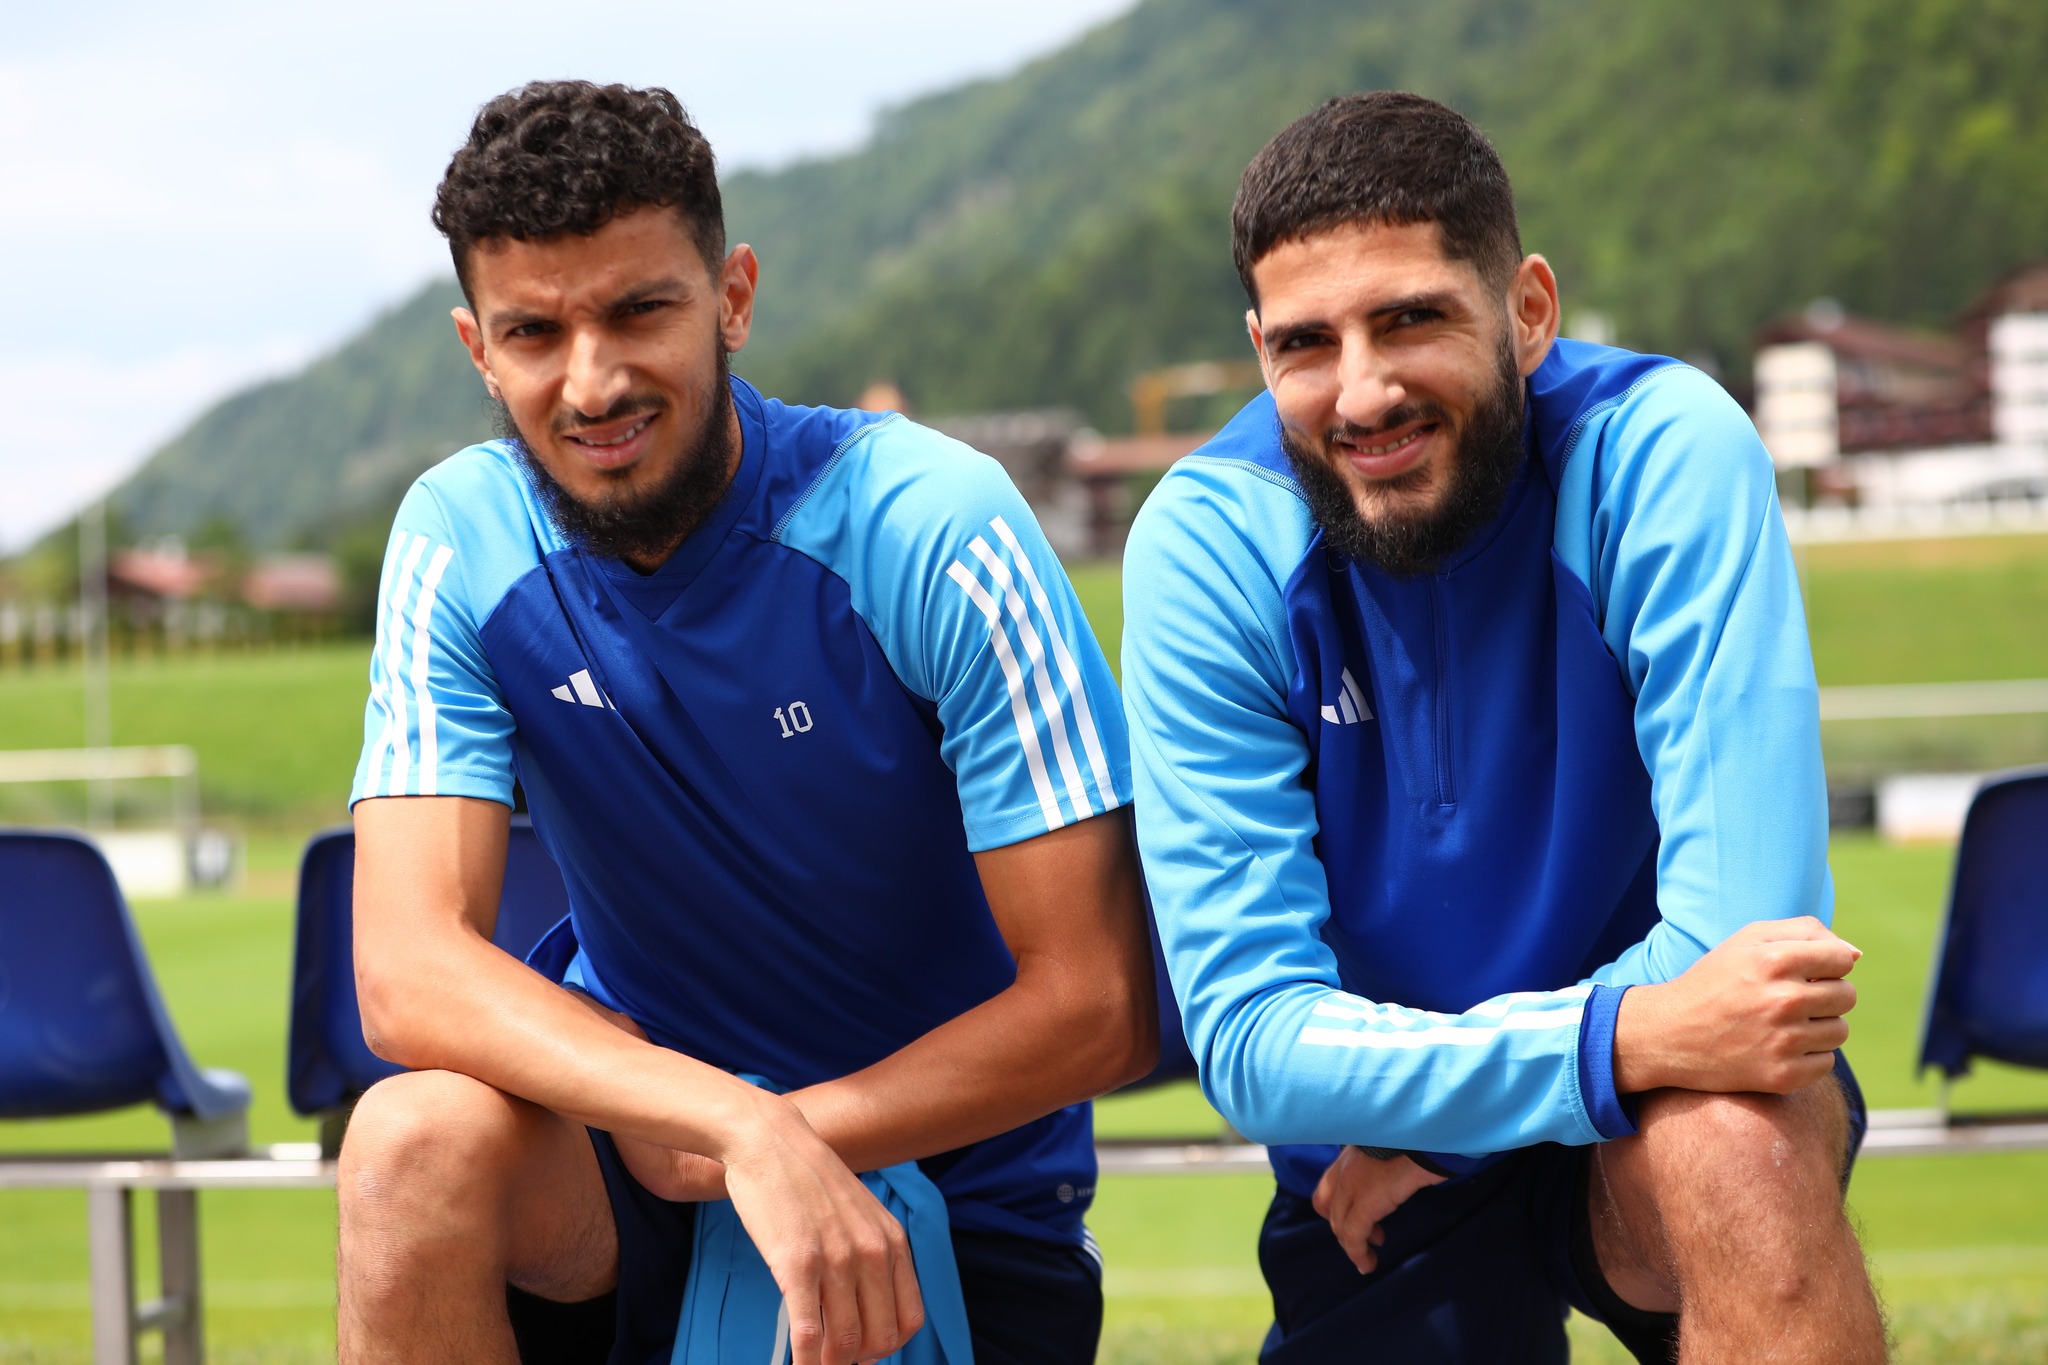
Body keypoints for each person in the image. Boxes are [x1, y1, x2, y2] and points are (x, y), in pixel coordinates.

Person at [340, 80, 1155, 1365]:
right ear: (477, 351)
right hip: (640, 1164)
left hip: (940, 1193)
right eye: (535, 332)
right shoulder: (461, 534)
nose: (592, 380)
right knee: (407, 1145)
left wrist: (786, 1137)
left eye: (638, 311)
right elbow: (405, 970)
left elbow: (1098, 1001)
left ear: (731, 298)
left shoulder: (930, 524)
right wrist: (729, 1123)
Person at [1121, 91, 1888, 1363]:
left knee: (1741, 1137)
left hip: (1602, 1103)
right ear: (1257, 349)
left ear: (1527, 311)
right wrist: (1611, 1038)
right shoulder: (1205, 544)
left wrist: (1458, 1123)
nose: (1361, 393)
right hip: (1378, 1163)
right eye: (1305, 344)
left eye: (1408, 319)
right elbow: (1252, 1041)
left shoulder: (1658, 450)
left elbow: (1747, 953)